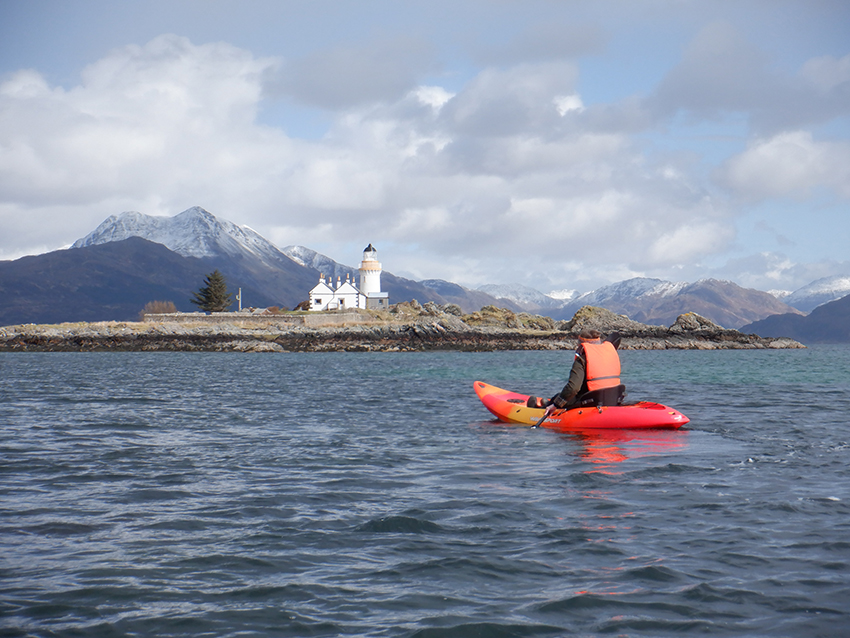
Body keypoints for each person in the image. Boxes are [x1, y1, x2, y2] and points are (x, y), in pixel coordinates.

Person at [527, 329, 623, 415]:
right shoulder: (609, 355)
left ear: (582, 345)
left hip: (590, 401)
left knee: (564, 396)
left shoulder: (581, 360)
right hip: (612, 398)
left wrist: (556, 405)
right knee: (559, 395)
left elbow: (573, 388)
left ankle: (542, 408)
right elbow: (616, 336)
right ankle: (549, 402)